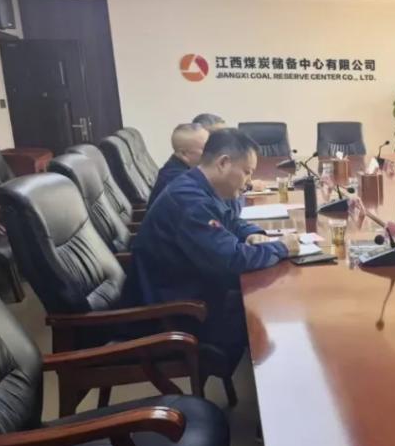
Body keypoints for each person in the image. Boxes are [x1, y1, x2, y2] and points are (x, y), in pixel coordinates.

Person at [128, 128, 300, 366]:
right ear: (223, 163)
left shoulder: (197, 185)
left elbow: (231, 220)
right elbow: (233, 261)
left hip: (191, 290)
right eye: (247, 172)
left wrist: (253, 234)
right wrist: (281, 248)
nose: (249, 182)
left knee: (271, 301)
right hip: (176, 313)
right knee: (276, 321)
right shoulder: (190, 202)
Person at [147, 123, 208, 208]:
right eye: (206, 148)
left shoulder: (180, 168)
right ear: (184, 154)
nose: (213, 151)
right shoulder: (178, 180)